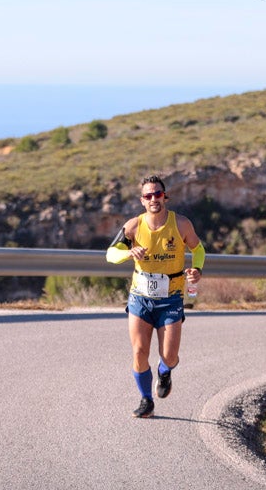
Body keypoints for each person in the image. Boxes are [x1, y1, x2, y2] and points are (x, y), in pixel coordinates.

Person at [105, 174, 206, 418]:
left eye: (157, 194)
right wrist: (129, 254)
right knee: (139, 351)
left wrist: (197, 270)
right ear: (142, 200)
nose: (153, 199)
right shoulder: (133, 226)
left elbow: (198, 249)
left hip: (171, 298)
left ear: (165, 196)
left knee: (169, 356)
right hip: (140, 298)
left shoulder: (181, 224)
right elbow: (110, 254)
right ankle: (146, 399)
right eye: (148, 195)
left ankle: (164, 371)